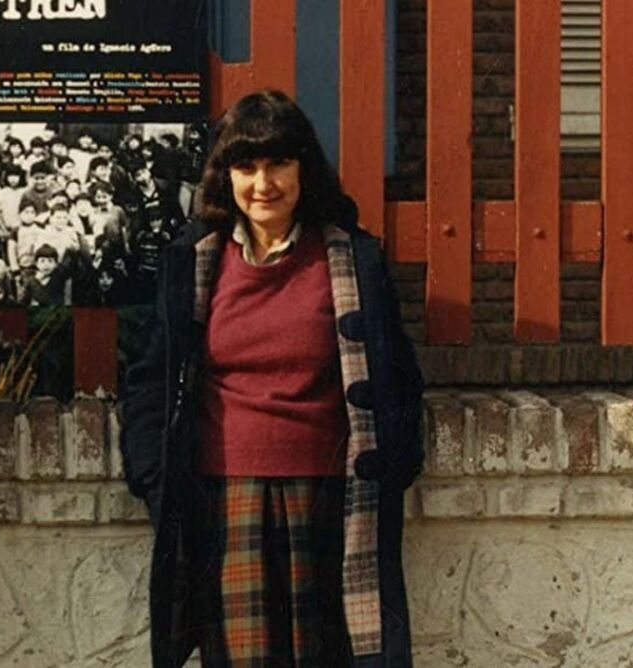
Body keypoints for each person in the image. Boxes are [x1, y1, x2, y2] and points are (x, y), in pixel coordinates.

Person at [121, 90, 423, 667]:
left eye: (279, 163)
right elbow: (149, 381)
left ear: (304, 169)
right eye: (247, 166)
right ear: (225, 175)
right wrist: (157, 484)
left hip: (332, 506)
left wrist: (393, 467)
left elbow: (398, 377)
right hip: (227, 503)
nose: (264, 183)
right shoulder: (195, 261)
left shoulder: (351, 259)